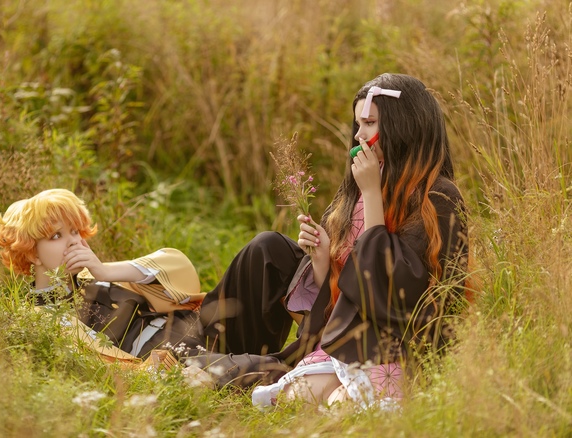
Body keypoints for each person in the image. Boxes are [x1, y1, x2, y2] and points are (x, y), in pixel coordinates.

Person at [186, 73, 469, 407]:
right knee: (266, 248)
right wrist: (322, 259)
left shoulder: (437, 198)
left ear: (403, 126)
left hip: (387, 342)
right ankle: (201, 351)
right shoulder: (362, 184)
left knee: (304, 399)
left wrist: (371, 195)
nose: (359, 135)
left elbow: (390, 292)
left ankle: (214, 369)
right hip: (340, 330)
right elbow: (342, 291)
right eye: (357, 125)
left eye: (369, 124)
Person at [0, 188, 209, 361]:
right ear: (32, 253)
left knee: (235, 272)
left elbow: (179, 269)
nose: (74, 241)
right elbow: (108, 363)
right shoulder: (41, 316)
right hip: (173, 352)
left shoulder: (95, 274)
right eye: (56, 236)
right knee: (229, 363)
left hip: (202, 322)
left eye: (75, 231)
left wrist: (105, 271)